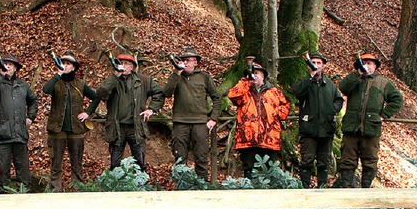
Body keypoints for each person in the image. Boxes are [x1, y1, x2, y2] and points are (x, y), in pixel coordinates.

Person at [338, 52, 403, 188]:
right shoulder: (354, 79)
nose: (366, 66)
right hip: (351, 128)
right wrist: (357, 74)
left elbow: (397, 100)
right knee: (347, 160)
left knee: (370, 161)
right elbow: (343, 87)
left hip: (371, 129)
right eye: (364, 63)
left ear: (375, 66)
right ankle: (345, 189)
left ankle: (366, 190)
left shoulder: (383, 83)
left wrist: (384, 115)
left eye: (369, 63)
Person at [96, 53, 164, 171]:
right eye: (121, 63)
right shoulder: (112, 80)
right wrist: (115, 76)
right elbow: (100, 93)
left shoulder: (143, 81)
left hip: (136, 127)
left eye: (127, 63)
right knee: (115, 162)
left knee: (140, 161)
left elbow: (159, 93)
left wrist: (151, 109)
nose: (124, 66)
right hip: (117, 128)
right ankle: (116, 186)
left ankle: (141, 185)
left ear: (132, 67)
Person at [43, 51, 99, 191]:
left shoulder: (80, 84)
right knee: (56, 163)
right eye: (64, 63)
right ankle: (55, 191)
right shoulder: (56, 81)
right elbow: (46, 89)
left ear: (74, 67)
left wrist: (87, 113)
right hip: (57, 129)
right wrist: (58, 74)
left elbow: (96, 97)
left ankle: (77, 191)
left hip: (76, 129)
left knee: (77, 163)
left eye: (69, 64)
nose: (66, 66)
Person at [162, 48, 222, 181]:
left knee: (201, 155)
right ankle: (181, 183)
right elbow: (166, 93)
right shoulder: (176, 76)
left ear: (196, 63)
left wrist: (213, 119)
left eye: (189, 60)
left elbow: (217, 98)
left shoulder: (204, 77)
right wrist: (177, 72)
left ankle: (202, 184)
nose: (186, 63)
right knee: (179, 155)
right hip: (180, 122)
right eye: (184, 60)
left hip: (200, 122)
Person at [0, 53, 38, 193]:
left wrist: (30, 117)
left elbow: (33, 100)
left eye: (11, 64)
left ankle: (25, 199)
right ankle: (4, 199)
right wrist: (0, 75)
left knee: (23, 170)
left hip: (20, 134)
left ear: (15, 68)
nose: (8, 66)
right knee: (3, 170)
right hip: (2, 135)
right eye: (6, 64)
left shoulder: (22, 85)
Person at [228, 62, 290, 179]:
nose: (254, 76)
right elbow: (232, 95)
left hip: (270, 138)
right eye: (251, 74)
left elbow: (285, 106)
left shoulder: (274, 92)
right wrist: (246, 81)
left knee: (271, 168)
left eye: (256, 73)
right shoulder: (244, 93)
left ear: (263, 76)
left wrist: (276, 114)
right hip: (248, 138)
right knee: (250, 169)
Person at [291, 51, 343, 188]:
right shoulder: (304, 82)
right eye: (313, 62)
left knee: (323, 161)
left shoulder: (330, 84)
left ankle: (322, 187)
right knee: (307, 160)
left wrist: (332, 109)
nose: (316, 65)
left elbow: (339, 100)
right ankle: (304, 188)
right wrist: (310, 77)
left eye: (318, 63)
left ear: (323, 65)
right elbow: (297, 92)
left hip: (326, 130)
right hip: (309, 129)